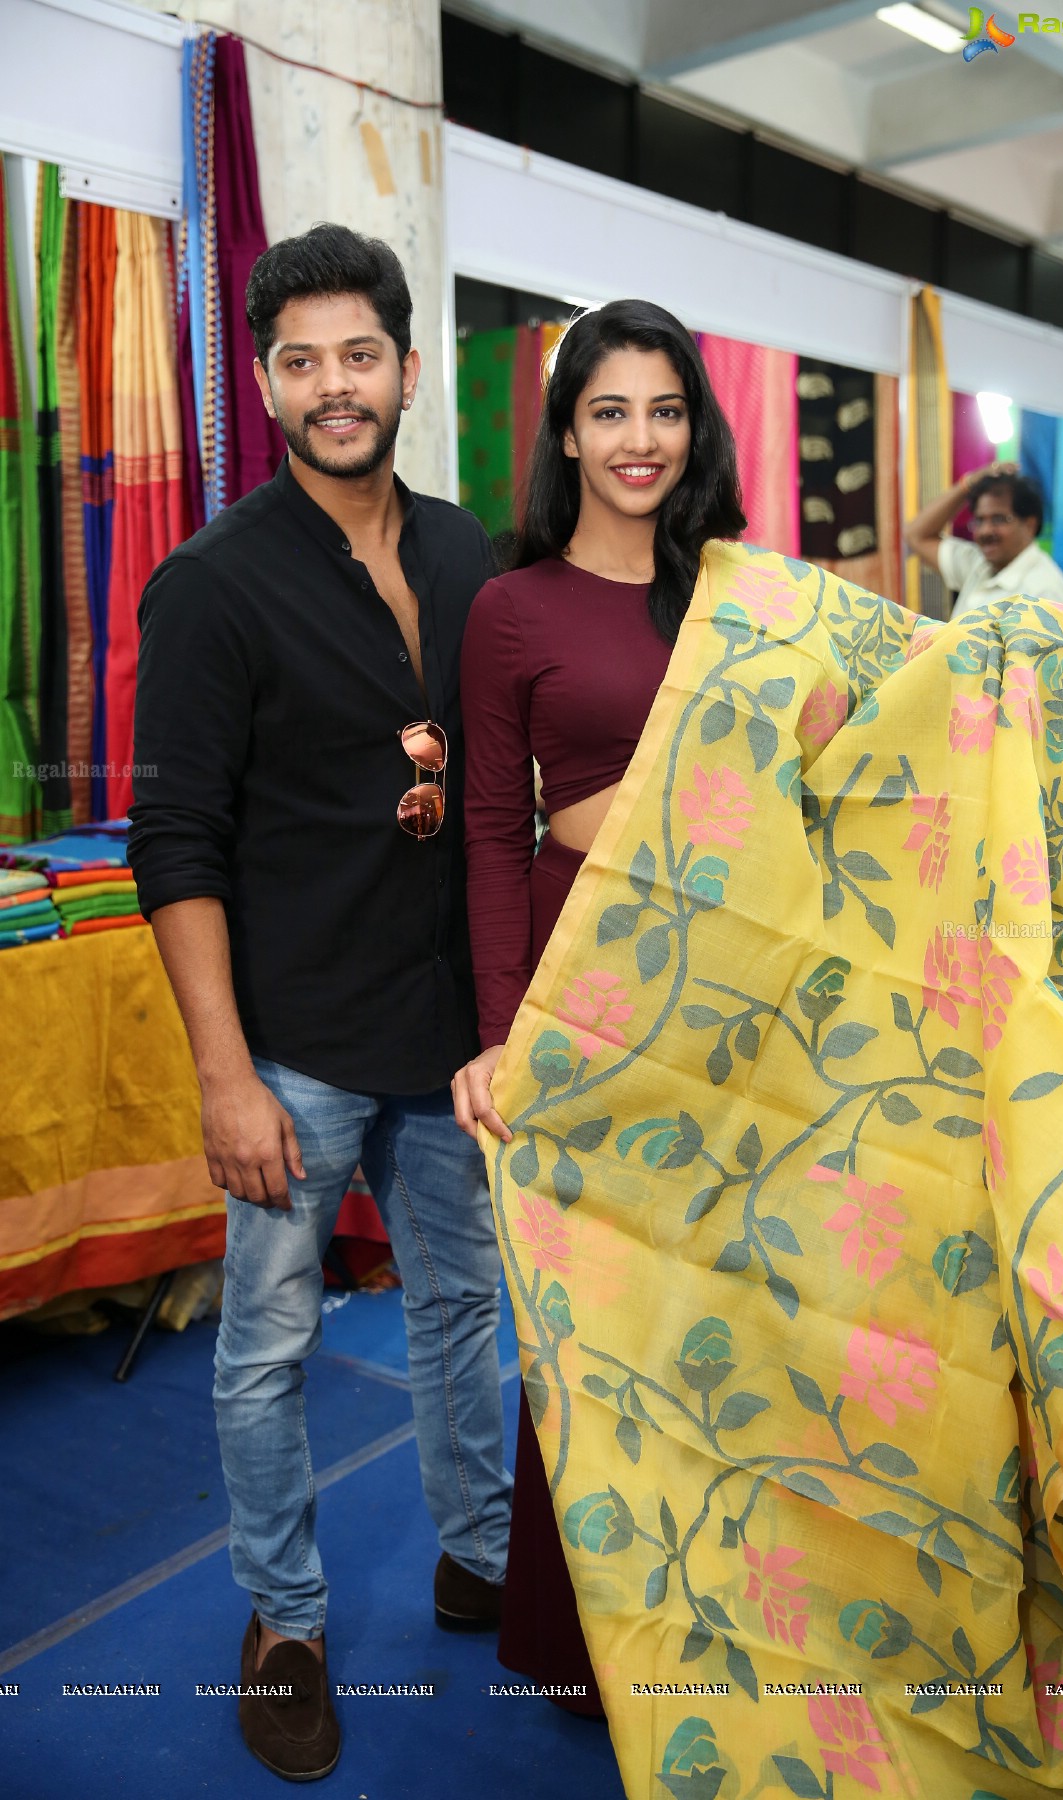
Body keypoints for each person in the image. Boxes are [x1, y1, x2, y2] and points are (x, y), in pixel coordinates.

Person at [127, 223, 511, 1783]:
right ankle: (283, 1622)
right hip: (293, 1043)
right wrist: (227, 1076)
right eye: (301, 362)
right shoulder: (212, 585)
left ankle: (480, 1555)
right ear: (269, 386)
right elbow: (176, 843)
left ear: (408, 370)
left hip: (449, 1030)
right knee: (268, 1346)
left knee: (461, 1311)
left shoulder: (470, 551)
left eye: (361, 355)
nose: (334, 386)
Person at [451, 300, 746, 1714]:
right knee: (594, 1326)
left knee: (735, 1317)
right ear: (566, 431)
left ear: (697, 428)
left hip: (741, 1005)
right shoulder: (513, 610)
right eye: (611, 410)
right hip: (597, 1000)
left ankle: (732, 1614)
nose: (640, 440)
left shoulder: (742, 593)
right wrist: (506, 1036)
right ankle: (581, 1651)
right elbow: (494, 837)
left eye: (665, 410)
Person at [904, 459, 1063, 619]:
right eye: (979, 520)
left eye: (998, 519)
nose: (985, 531)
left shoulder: (1046, 592)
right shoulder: (977, 564)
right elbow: (916, 535)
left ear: (1029, 525)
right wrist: (969, 483)